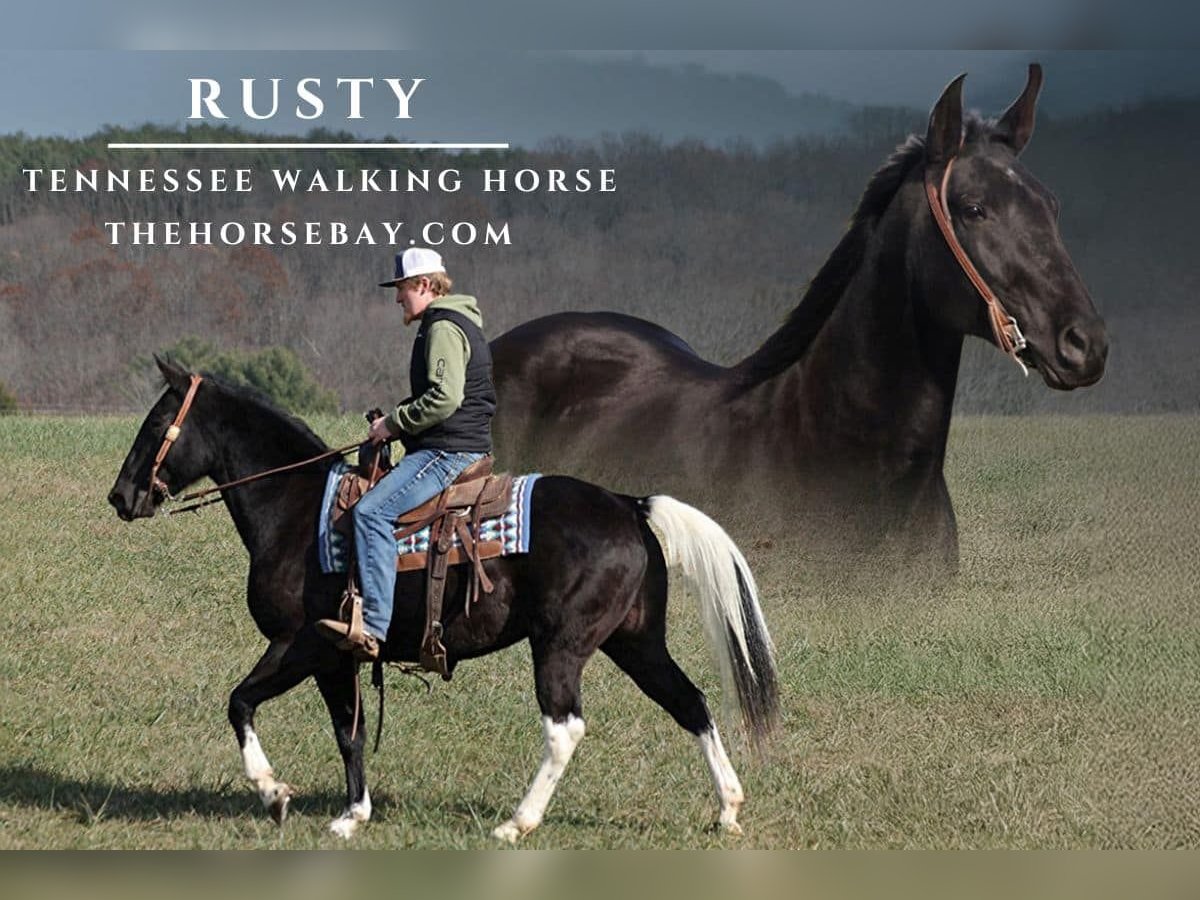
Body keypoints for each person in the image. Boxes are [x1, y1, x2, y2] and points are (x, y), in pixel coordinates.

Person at [317, 247, 496, 661]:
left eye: (402, 289)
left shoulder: (443, 327)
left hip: (448, 452)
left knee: (370, 512)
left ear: (425, 285)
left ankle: (374, 626)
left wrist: (393, 424)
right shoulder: (452, 321)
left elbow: (445, 398)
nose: (398, 298)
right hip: (452, 444)